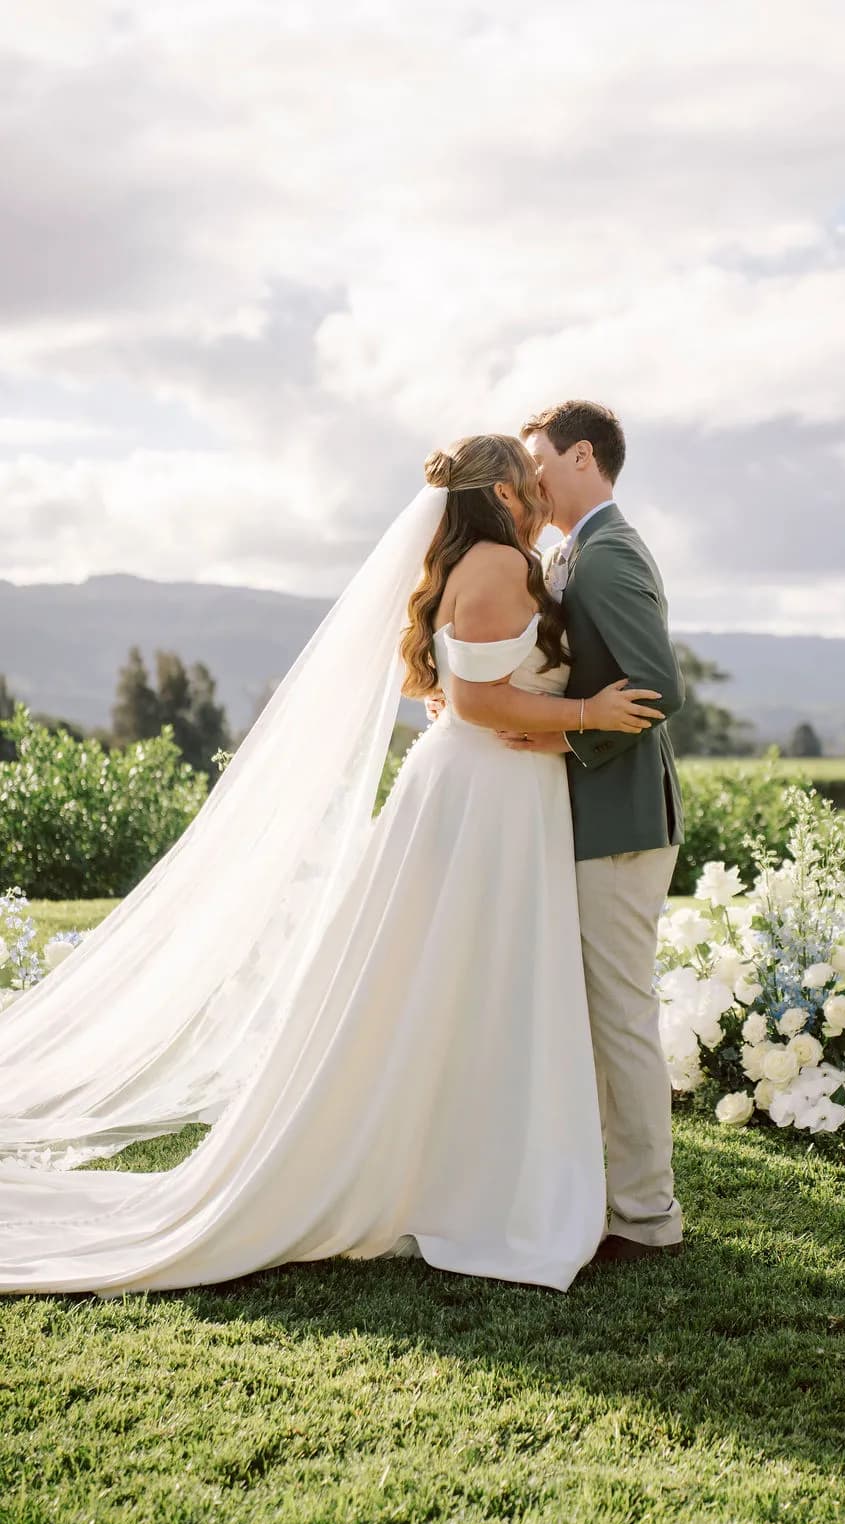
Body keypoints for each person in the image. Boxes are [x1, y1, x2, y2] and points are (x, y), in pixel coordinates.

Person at [0, 433, 665, 1296]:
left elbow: (454, 684)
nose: (538, 490)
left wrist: (534, 711)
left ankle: (459, 1159)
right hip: (489, 799)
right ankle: (469, 1177)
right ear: (501, 493)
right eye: (527, 478)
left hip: (495, 791)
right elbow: (471, 698)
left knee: (463, 980)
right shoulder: (499, 565)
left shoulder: (481, 559)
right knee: (474, 973)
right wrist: (585, 711)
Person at [507, 400, 686, 1263]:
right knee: (601, 1016)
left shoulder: (608, 555)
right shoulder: (576, 550)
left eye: (540, 459)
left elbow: (656, 692)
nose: (532, 475)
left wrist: (562, 731)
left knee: (620, 1018)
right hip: (599, 817)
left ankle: (648, 1218)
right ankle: (608, 1197)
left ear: (583, 456)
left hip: (620, 825)